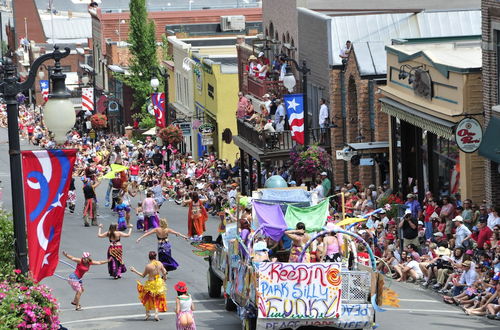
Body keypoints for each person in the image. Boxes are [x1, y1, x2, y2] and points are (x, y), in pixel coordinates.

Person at [131, 251, 167, 321]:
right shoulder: (159, 263)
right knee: (157, 298)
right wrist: (164, 278)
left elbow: (143, 275)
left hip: (151, 283)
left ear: (149, 257)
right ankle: (156, 314)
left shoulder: (148, 266)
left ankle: (147, 314)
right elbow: (164, 272)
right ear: (155, 257)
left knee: (147, 297)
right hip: (158, 282)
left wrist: (134, 270)